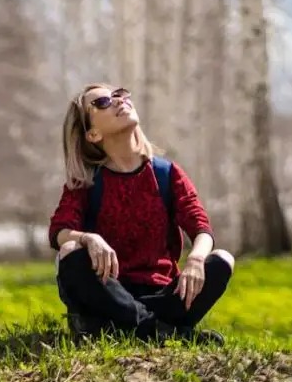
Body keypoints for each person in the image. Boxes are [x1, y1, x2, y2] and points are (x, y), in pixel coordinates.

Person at [48, 83, 234, 344]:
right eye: (102, 103)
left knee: (222, 259)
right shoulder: (87, 180)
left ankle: (134, 328)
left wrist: (195, 259)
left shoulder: (167, 174)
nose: (117, 101)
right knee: (70, 251)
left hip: (163, 295)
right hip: (109, 292)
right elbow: (59, 232)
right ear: (92, 134)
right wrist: (89, 238)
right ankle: (165, 332)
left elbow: (201, 227)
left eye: (119, 95)